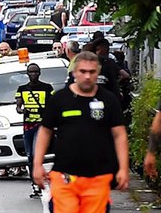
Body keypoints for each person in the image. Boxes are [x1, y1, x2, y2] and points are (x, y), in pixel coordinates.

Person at [32, 51, 129, 213]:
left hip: (98, 178)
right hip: (65, 176)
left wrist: (123, 168)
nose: (87, 76)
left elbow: (119, 135)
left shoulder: (109, 100)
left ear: (98, 72)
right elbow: (45, 131)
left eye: (92, 72)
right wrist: (37, 164)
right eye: (83, 71)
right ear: (74, 72)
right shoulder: (60, 99)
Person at [16, 63, 54, 198]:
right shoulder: (22, 89)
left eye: (35, 72)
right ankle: (35, 182)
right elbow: (18, 107)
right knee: (30, 156)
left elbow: (53, 105)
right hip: (28, 126)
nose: (33, 75)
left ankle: (39, 181)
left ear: (39, 73)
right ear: (27, 74)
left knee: (36, 153)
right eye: (31, 72)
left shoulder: (47, 88)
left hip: (41, 125)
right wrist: (22, 110)